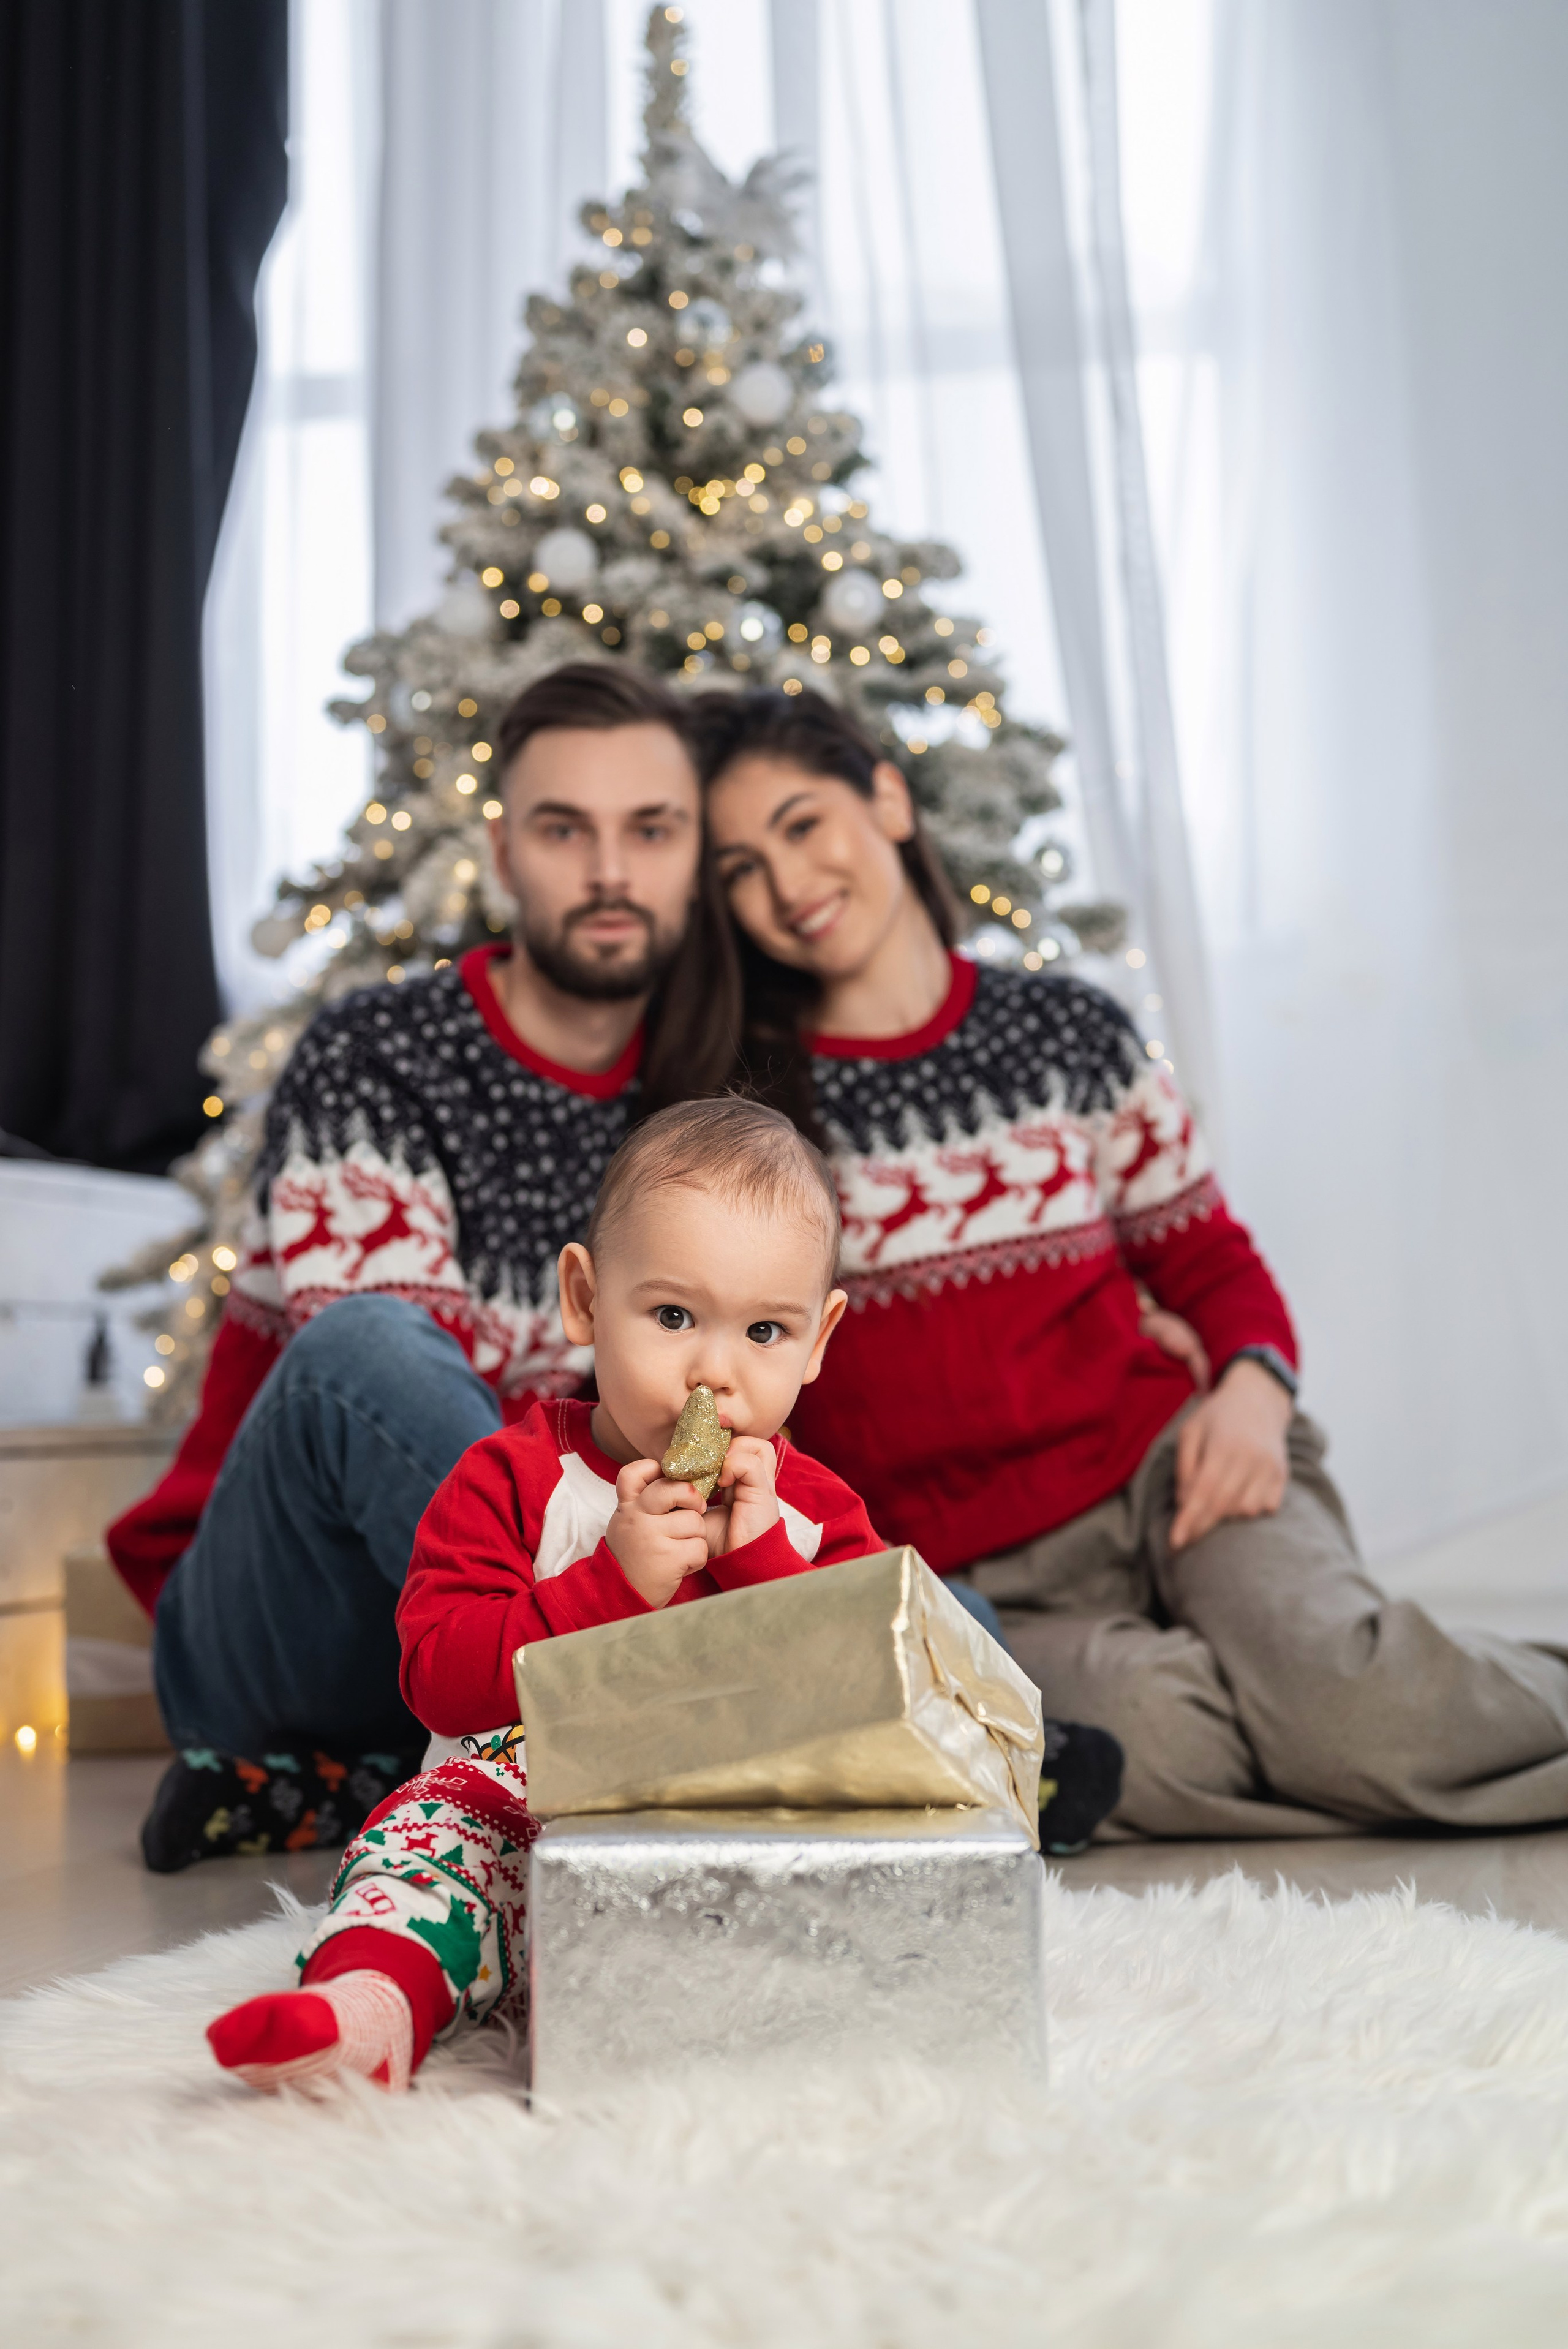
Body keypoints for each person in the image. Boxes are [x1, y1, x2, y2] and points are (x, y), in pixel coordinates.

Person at [690, 684, 1568, 1839]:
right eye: (742, 869)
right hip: (971, 1580)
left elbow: (1210, 1263)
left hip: (1177, 1472)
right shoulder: (745, 1116)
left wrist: (1254, 1391)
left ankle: (1351, 1703)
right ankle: (1330, 1712)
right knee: (1148, 1749)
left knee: (1361, 1708)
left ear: (889, 800)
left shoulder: (1068, 1036)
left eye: (803, 825)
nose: (788, 886)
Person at [112, 661, 728, 1870]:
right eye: (565, 830)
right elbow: (400, 1441)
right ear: (502, 851)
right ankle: (692, 1724)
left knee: (825, 1512)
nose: (610, 873)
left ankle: (368, 1785)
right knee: (368, 1349)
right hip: (288, 1632)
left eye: (649, 830)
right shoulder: (376, 1057)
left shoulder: (710, 1104)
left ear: (696, 852)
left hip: (544, 1628)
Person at [205, 1097, 885, 2092]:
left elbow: (863, 1708)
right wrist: (607, 1587)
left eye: (766, 1331)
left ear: (818, 1342)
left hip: (720, 1839)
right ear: (584, 1298)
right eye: (672, 1316)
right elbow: (439, 1678)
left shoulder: (816, 1516)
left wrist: (761, 1568)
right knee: (415, 1851)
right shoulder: (509, 1481)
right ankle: (365, 2011)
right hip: (511, 1823)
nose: (715, 1373)